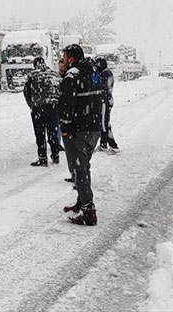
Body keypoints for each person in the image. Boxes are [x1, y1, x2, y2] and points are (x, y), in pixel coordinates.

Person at [58, 44, 104, 226]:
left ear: (71, 58)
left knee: (79, 169)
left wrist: (65, 126)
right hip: (94, 128)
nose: (63, 60)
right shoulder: (93, 72)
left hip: (78, 129)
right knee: (84, 166)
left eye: (64, 56)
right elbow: (101, 96)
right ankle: (81, 201)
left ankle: (88, 211)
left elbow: (66, 105)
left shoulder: (72, 76)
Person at [23, 56, 62, 166]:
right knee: (53, 132)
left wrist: (31, 105)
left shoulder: (32, 75)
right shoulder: (54, 74)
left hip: (38, 108)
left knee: (40, 134)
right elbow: (61, 90)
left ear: (35, 65)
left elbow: (26, 92)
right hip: (52, 107)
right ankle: (55, 155)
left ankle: (43, 158)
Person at [95, 58, 120, 153]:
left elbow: (102, 87)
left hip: (105, 101)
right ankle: (103, 144)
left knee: (104, 123)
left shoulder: (105, 74)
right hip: (106, 100)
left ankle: (113, 146)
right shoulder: (107, 73)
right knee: (103, 123)